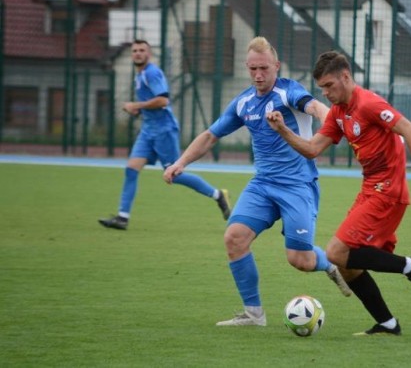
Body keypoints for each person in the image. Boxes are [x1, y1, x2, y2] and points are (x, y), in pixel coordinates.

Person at [163, 37, 351, 327]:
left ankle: (329, 265)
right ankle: (254, 315)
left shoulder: (289, 91)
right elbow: (211, 136)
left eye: (264, 68)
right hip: (262, 185)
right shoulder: (243, 103)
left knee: (299, 259)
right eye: (253, 69)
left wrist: (333, 119)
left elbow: (315, 107)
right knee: (234, 238)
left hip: (297, 184)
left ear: (276, 66)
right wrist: (180, 163)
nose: (258, 75)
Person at [267, 51, 411, 336]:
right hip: (370, 188)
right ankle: (388, 324)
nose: (326, 93)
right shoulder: (339, 113)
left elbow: (410, 131)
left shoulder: (369, 103)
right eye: (322, 89)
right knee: (347, 264)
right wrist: (282, 130)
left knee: (335, 252)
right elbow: (313, 149)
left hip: (388, 191)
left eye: (329, 86)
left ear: (346, 77)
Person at [99, 39, 230, 231]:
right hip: (148, 131)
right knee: (131, 169)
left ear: (148, 54)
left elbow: (162, 100)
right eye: (134, 50)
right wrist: (140, 110)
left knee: (174, 174)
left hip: (164, 130)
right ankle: (122, 217)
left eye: (142, 50)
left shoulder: (152, 73)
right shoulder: (140, 75)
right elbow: (152, 103)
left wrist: (137, 105)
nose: (137, 53)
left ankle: (218, 195)